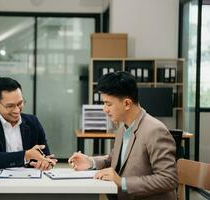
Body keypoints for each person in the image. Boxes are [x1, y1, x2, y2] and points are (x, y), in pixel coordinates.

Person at [68, 71, 178, 200]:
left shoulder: (154, 130)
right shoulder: (123, 127)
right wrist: (90, 162)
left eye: (108, 104)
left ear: (127, 103)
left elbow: (169, 179)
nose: (104, 109)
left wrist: (122, 182)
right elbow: (113, 160)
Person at [0, 77, 57, 170]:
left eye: (20, 103)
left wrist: (46, 163)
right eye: (10, 106)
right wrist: (26, 155)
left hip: (30, 181)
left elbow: (46, 156)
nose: (17, 110)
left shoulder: (32, 122)